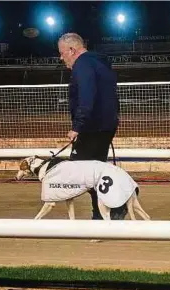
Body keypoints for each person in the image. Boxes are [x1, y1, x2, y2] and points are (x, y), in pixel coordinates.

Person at [57, 32, 127, 220]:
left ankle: (113, 208)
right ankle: (106, 212)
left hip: (91, 127)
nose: (61, 57)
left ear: (72, 50)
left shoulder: (83, 65)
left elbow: (87, 98)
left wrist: (77, 127)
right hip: (105, 125)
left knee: (80, 172)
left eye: (62, 53)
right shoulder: (100, 62)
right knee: (96, 171)